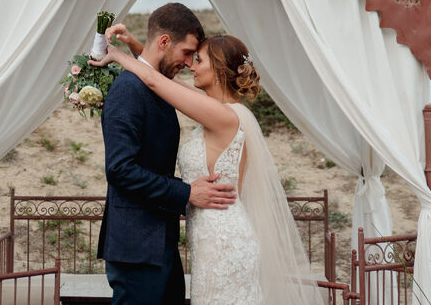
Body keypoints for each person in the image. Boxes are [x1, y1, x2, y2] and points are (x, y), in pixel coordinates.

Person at [96, 27, 323, 305]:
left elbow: (156, 82)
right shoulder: (218, 109)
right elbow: (163, 79)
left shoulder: (224, 116)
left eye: (199, 60)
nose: (190, 65)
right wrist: (136, 46)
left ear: (218, 71)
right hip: (211, 237)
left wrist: (118, 56)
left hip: (222, 240)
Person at [97, 3, 237, 305]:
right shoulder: (127, 90)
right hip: (137, 248)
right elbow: (120, 169)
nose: (189, 63)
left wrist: (133, 48)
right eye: (187, 53)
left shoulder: (154, 86)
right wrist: (187, 192)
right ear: (164, 42)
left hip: (159, 241)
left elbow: (152, 74)